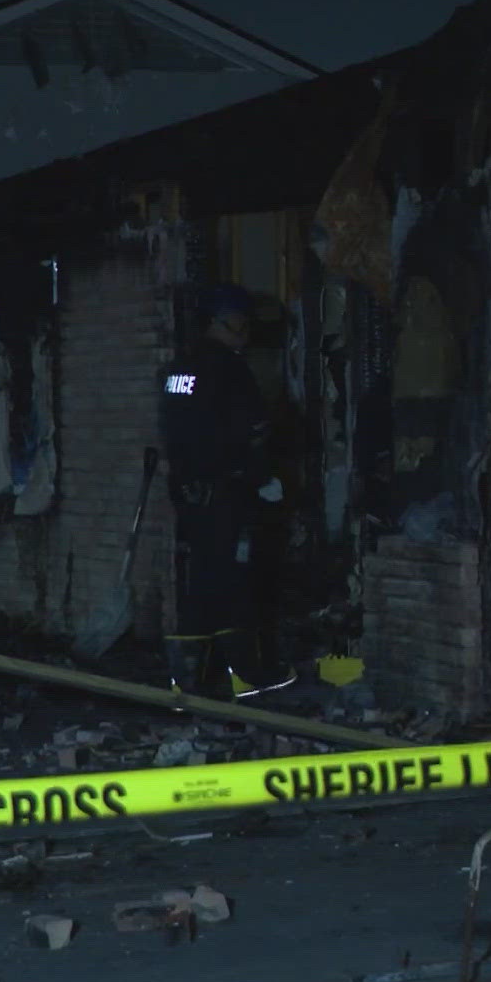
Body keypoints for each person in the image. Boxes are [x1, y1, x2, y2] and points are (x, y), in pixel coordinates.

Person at [158, 285, 294, 701]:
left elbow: (177, 433)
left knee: (200, 582)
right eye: (242, 322)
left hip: (189, 496)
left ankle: (187, 679)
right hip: (226, 495)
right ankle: (247, 676)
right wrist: (264, 480)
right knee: (234, 582)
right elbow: (251, 434)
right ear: (224, 322)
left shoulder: (179, 370)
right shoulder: (230, 370)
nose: (247, 331)